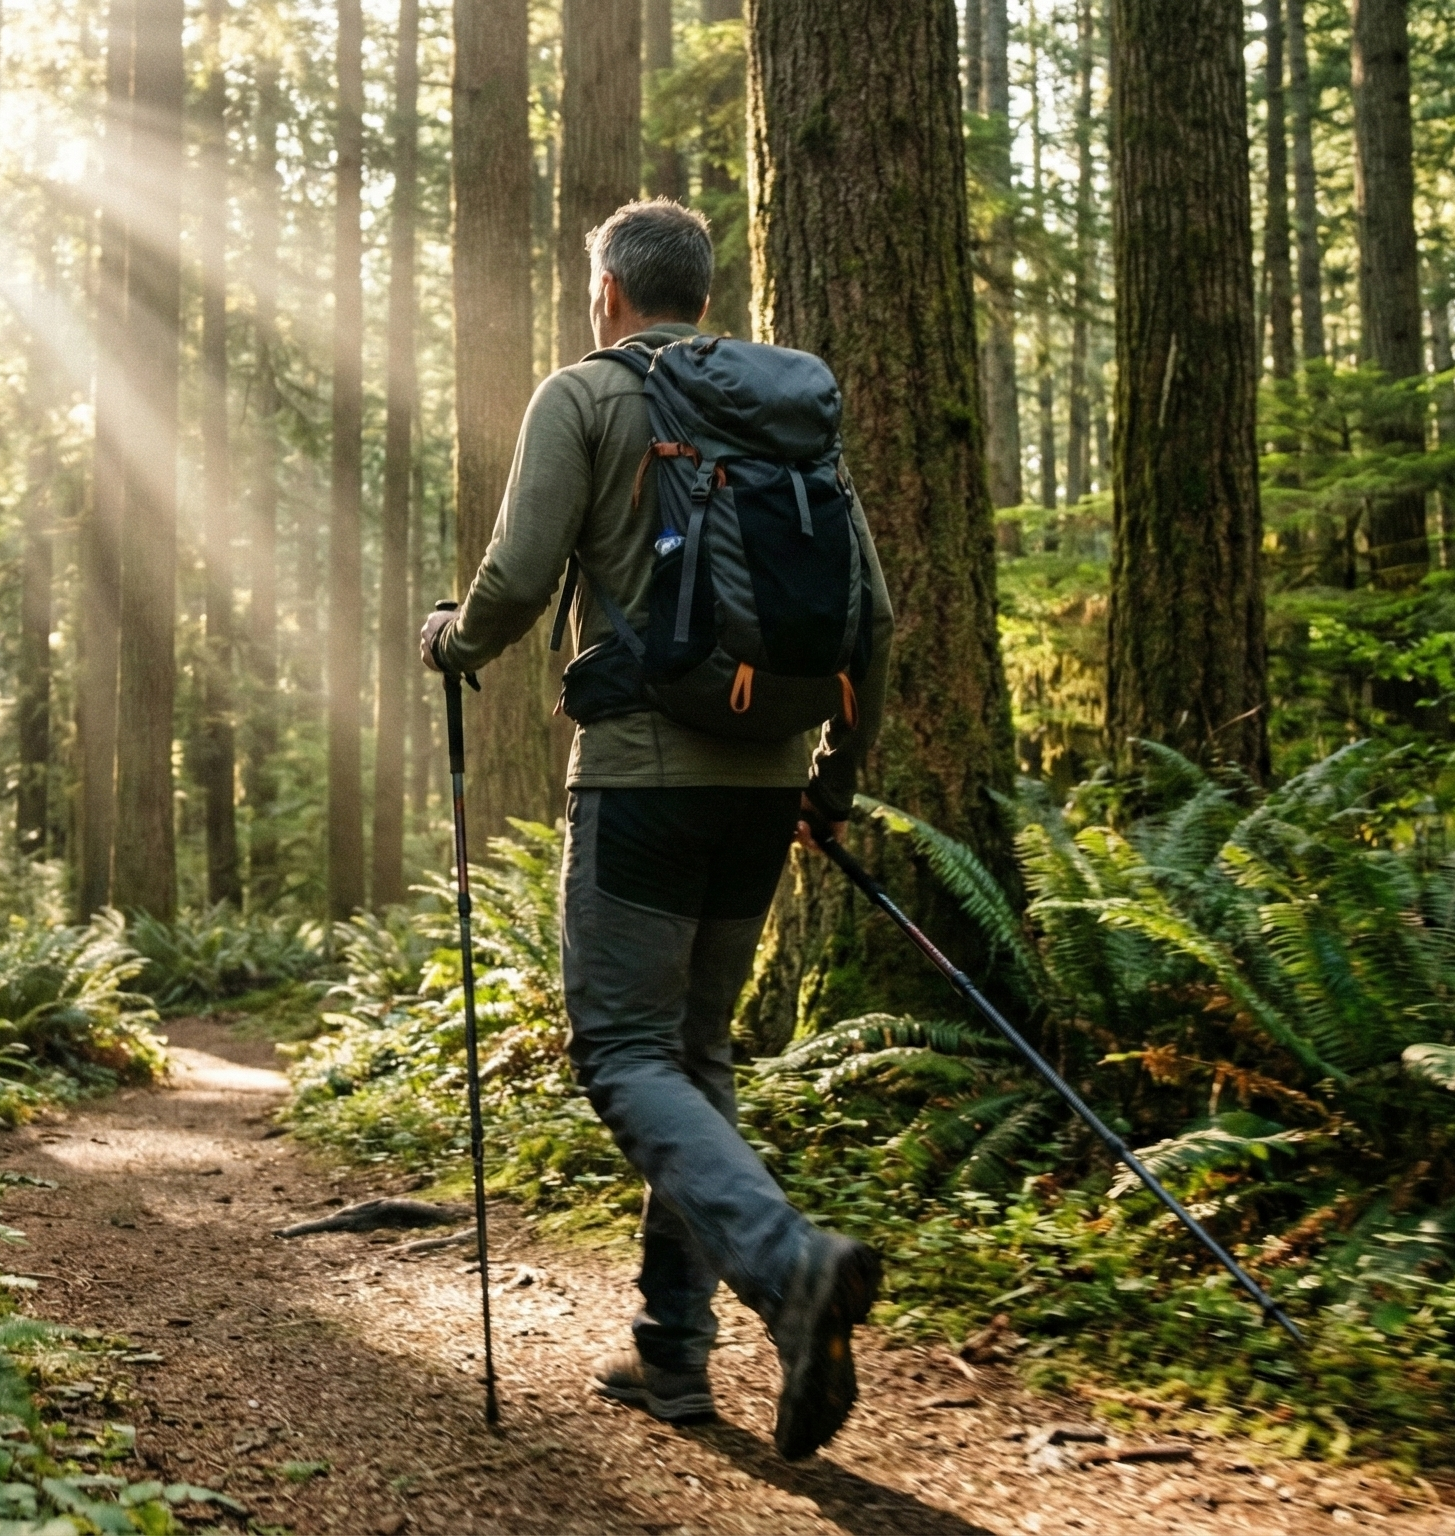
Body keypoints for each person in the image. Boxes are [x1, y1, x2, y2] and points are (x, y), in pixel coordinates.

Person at [418, 198, 894, 1461]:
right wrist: (828, 783)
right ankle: (673, 1355)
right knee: (694, 1052)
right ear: (699, 289)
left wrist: (451, 643)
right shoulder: (785, 416)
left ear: (609, 291)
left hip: (638, 778)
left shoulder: (584, 397)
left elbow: (518, 579)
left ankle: (790, 1272)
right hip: (767, 781)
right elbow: (872, 617)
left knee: (624, 1051)